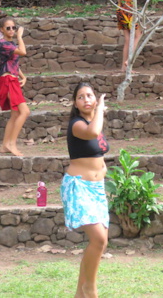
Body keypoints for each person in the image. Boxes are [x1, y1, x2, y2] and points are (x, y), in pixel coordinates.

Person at [61, 82, 110, 298]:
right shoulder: (77, 124)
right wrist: (100, 109)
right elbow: (93, 132)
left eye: (90, 95)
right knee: (99, 239)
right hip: (78, 186)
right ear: (75, 103)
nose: (86, 99)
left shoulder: (93, 121)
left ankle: (79, 295)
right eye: (81, 97)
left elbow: (98, 152)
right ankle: (90, 289)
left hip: (97, 189)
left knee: (100, 242)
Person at [0, 17, 29, 157]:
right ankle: (12, 144)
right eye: (8, 28)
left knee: (15, 114)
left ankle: (5, 146)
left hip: (12, 78)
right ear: (2, 29)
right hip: (8, 79)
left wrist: (23, 76)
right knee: (25, 112)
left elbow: (13, 62)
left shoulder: (10, 43)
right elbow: (23, 52)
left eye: (13, 28)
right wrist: (20, 36)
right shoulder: (3, 44)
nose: (11, 30)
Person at [115, 0, 142, 72]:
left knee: (128, 38)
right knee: (137, 35)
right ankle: (129, 61)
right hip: (126, 6)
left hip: (125, 6)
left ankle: (123, 67)